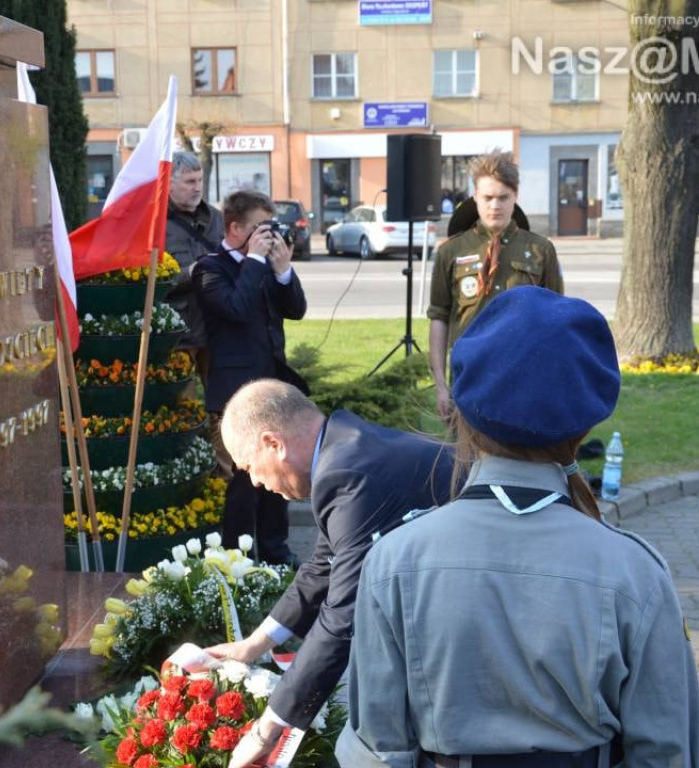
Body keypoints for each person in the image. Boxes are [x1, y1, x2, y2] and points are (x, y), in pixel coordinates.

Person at [338, 286, 699, 768]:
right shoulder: (635, 573)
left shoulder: (394, 560)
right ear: (583, 428)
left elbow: (377, 752)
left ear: (464, 413)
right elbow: (666, 753)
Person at [203, 379, 457, 768]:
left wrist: (266, 730)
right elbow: (323, 565)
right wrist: (252, 646)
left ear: (273, 443)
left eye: (249, 466)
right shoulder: (339, 453)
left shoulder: (348, 473)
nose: (253, 481)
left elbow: (342, 619)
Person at [193, 191, 307, 565]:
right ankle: (239, 560)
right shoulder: (210, 268)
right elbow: (236, 309)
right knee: (241, 482)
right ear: (235, 228)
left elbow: (296, 309)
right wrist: (256, 260)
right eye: (260, 227)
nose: (268, 235)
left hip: (272, 388)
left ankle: (276, 551)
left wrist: (283, 270)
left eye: (271, 226)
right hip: (233, 394)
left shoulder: (265, 265)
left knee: (277, 472)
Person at [428, 151, 564, 422]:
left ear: (515, 197)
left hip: (522, 375)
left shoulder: (540, 250)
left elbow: (556, 319)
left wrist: (550, 380)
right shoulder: (451, 251)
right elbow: (439, 316)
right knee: (465, 446)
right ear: (475, 196)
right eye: (488, 197)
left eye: (503, 197)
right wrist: (440, 384)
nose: (495, 206)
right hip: (468, 375)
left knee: (518, 446)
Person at [164, 151, 224, 386]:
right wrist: (190, 273)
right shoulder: (155, 224)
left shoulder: (217, 219)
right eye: (190, 182)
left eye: (200, 180)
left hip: (216, 330)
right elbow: (149, 282)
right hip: (178, 335)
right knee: (180, 401)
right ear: (169, 183)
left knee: (223, 401)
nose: (197, 187)